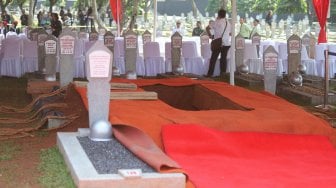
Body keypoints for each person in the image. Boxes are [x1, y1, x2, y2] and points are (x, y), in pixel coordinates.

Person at [206, 9, 231, 77]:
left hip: (218, 42)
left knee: (213, 59)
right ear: (225, 15)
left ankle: (210, 74)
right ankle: (223, 74)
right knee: (223, 59)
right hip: (226, 43)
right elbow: (230, 33)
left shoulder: (217, 22)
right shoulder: (228, 22)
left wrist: (211, 36)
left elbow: (207, 28)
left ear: (218, 14)